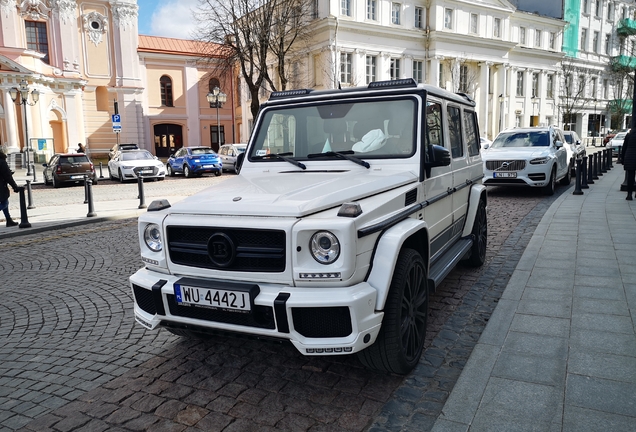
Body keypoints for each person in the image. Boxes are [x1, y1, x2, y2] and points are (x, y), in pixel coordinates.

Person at [0, 150, 21, 227]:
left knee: (4, 202)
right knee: (5, 203)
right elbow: (7, 177)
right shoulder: (2, 162)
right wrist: (15, 187)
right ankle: (9, 220)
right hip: (1, 187)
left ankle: (9, 220)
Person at [621, 129, 636, 200]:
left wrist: (622, 158)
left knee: (630, 177)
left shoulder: (629, 135)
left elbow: (624, 147)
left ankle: (629, 194)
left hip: (630, 157)